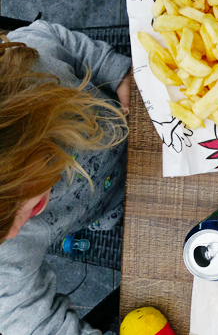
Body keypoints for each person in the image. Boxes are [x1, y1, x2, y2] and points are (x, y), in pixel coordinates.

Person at [0, 20, 131, 334]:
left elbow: (55, 36)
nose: (14, 231)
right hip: (117, 206)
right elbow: (36, 325)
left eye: (10, 206)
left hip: (139, 118)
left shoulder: (36, 63)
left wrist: (118, 71)